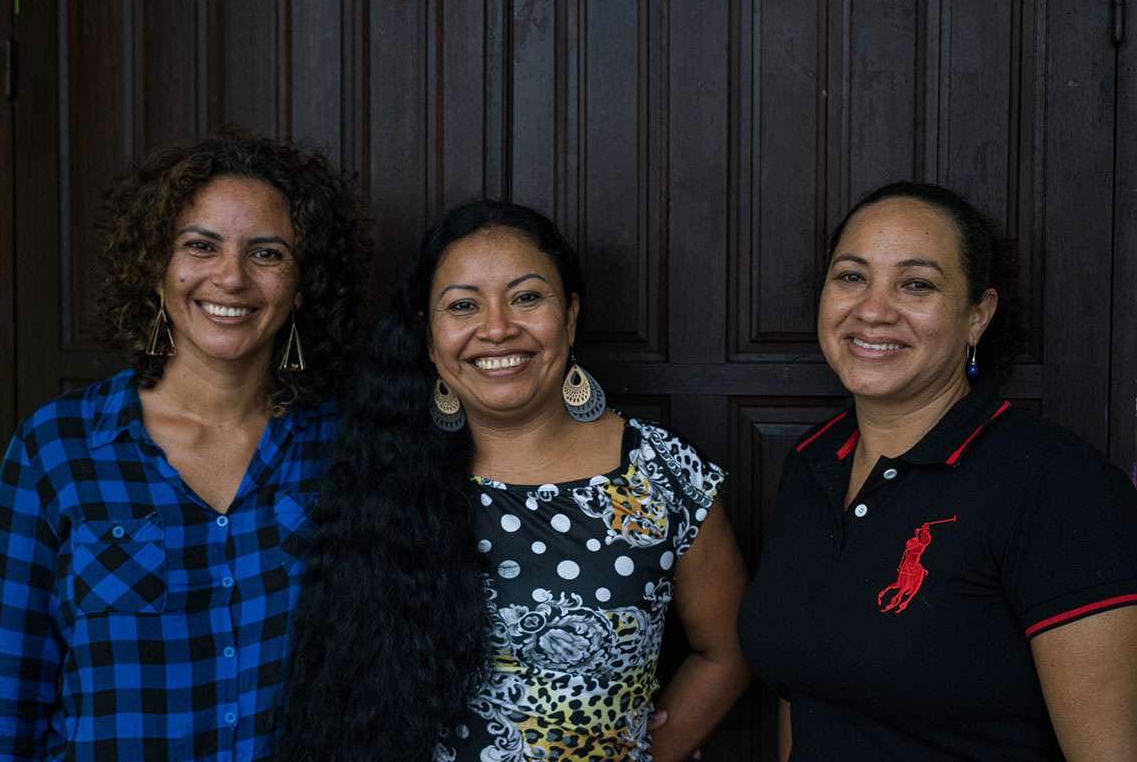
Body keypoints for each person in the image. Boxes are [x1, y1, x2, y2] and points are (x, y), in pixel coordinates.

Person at [276, 200, 752, 762]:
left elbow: (730, 650)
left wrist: (650, 751)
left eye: (527, 297)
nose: (498, 329)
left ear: (570, 316)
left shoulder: (665, 473)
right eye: (463, 305)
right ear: (429, 339)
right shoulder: (382, 471)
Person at [0, 128, 371, 761]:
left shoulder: (349, 445)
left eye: (267, 253)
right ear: (155, 265)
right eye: (200, 246)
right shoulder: (60, 447)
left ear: (302, 283)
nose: (230, 277)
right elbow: (6, 705)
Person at [736, 182, 1137, 760]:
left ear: (978, 315)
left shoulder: (1056, 486)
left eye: (916, 284)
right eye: (851, 277)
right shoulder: (812, 464)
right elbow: (804, 692)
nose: (873, 310)